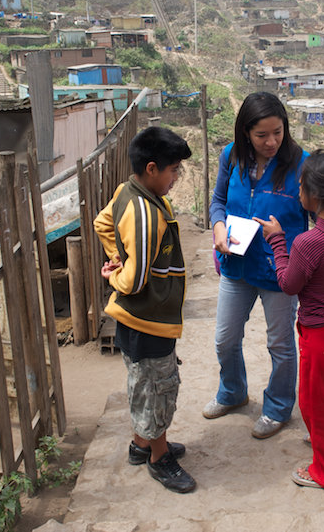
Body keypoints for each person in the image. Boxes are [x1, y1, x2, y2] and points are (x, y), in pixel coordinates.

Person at [255, 150, 324, 490]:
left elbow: (289, 285)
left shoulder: (308, 243)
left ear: (314, 195)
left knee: (315, 403)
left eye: (300, 185)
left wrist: (277, 242)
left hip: (323, 334)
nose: (297, 191)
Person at [94, 126, 195, 493]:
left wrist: (117, 256)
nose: (176, 177)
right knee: (158, 387)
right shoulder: (145, 214)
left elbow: (102, 222)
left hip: (139, 318)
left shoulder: (128, 191)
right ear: (152, 168)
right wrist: (117, 275)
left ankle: (142, 444)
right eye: (173, 170)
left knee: (145, 381)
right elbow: (135, 282)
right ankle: (159, 457)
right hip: (147, 318)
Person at [204, 91, 309, 440]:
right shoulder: (231, 156)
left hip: (280, 271)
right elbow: (218, 201)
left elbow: (322, 215)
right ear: (245, 132)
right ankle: (233, 392)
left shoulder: (301, 164)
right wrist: (218, 226)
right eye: (262, 135)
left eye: (278, 132)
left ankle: (277, 407)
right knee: (225, 339)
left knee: (280, 343)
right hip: (236, 264)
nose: (271, 142)